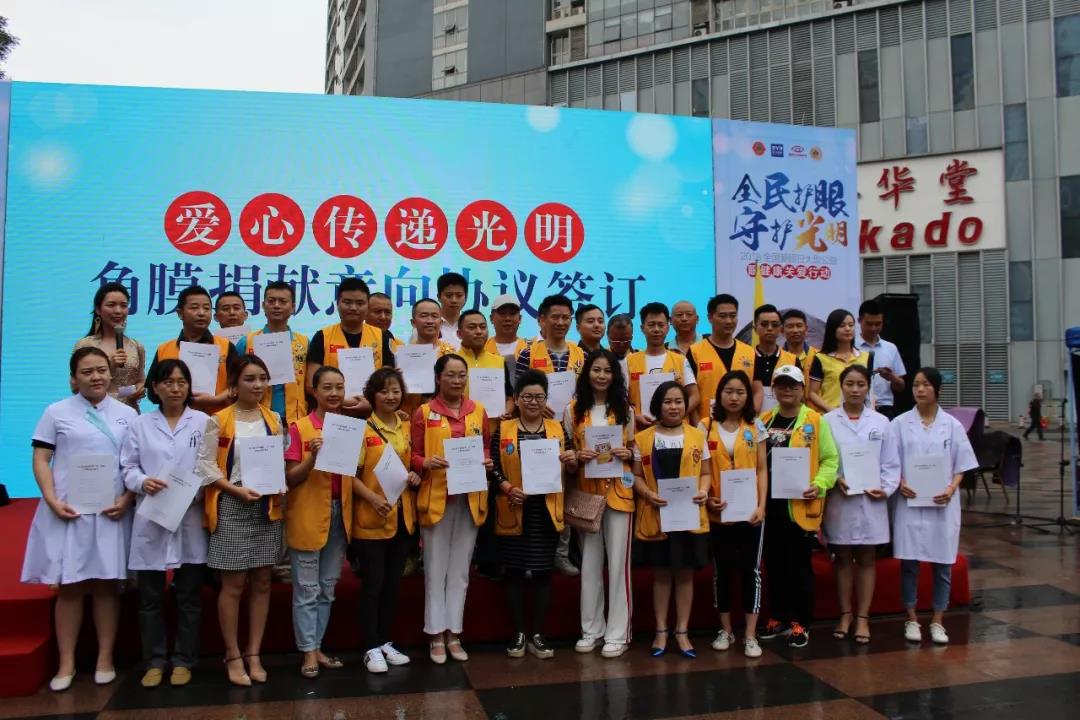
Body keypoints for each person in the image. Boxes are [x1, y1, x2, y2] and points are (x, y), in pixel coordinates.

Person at [22, 347, 138, 692]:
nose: (96, 377)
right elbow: (41, 459)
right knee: (70, 586)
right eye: (87, 372)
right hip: (68, 510)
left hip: (111, 510)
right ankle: (66, 662)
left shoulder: (127, 414)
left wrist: (127, 498)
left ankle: (105, 658)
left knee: (106, 584)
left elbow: (134, 462)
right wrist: (51, 498)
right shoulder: (55, 412)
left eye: (101, 370)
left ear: (110, 373)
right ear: (74, 378)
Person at [195, 355, 285, 686]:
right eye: (250, 379)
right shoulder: (218, 420)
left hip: (266, 506)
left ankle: (254, 653)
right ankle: (232, 655)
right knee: (232, 585)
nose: (258, 385)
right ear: (234, 384)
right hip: (232, 504)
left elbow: (280, 460)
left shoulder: (274, 418)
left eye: (263, 378)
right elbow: (204, 466)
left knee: (262, 582)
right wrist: (234, 490)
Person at [121, 359, 209, 688]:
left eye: (181, 382)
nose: (175, 388)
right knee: (150, 598)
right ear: (155, 387)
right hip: (152, 516)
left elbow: (209, 466)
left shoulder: (202, 422)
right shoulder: (140, 424)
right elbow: (127, 467)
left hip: (189, 515)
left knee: (189, 596)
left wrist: (195, 492)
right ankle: (155, 661)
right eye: (168, 382)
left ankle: (184, 659)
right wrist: (142, 482)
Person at [411, 354, 493, 664]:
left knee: (460, 570)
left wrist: (486, 461)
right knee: (435, 568)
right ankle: (435, 634)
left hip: (469, 497)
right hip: (437, 497)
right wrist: (425, 462)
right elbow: (412, 454)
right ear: (438, 378)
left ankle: (454, 633)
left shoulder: (478, 411)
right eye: (451, 375)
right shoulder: (423, 412)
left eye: (461, 375)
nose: (457, 380)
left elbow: (485, 446)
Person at [491, 370, 578, 658]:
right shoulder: (504, 429)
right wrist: (506, 487)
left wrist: (572, 460)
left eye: (539, 397)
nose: (533, 402)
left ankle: (538, 634)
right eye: (527, 396)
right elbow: (493, 466)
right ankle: (518, 633)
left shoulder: (557, 429)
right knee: (514, 572)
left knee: (542, 572)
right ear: (516, 399)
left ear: (546, 399)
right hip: (514, 507)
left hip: (546, 510)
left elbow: (571, 467)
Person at [891, 367, 978, 645]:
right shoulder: (899, 423)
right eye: (916, 384)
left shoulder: (952, 425)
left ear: (937, 389)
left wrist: (951, 488)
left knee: (942, 564)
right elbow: (890, 461)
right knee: (910, 563)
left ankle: (938, 620)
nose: (919, 389)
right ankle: (911, 618)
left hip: (942, 503)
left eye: (926, 384)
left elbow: (962, 464)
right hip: (910, 502)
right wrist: (900, 482)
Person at [758, 365, 839, 649]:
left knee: (799, 567)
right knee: (774, 565)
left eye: (793, 385)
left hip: (800, 506)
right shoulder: (764, 420)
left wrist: (819, 484)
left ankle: (801, 622)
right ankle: (778, 617)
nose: (787, 390)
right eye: (781, 385)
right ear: (773, 389)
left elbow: (830, 459)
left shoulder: (815, 421)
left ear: (803, 389)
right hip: (770, 506)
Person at [564, 350, 636, 659]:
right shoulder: (573, 410)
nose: (602, 376)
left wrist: (628, 454)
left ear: (615, 376)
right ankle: (591, 630)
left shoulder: (625, 410)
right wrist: (576, 457)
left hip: (619, 493)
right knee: (590, 564)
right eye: (596, 370)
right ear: (587, 373)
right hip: (588, 495)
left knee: (619, 565)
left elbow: (635, 451)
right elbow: (568, 452)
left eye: (607, 371)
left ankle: (618, 634)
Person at [822, 365, 901, 645]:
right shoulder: (827, 421)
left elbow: (891, 463)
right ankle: (845, 614)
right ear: (841, 386)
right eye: (850, 384)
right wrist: (835, 479)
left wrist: (885, 488)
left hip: (871, 499)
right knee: (842, 559)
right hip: (840, 499)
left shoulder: (881, 422)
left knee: (867, 559)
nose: (855, 389)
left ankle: (863, 617)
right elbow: (823, 459)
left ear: (868, 387)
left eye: (861, 384)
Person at [283, 366, 353, 678]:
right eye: (327, 387)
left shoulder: (349, 427)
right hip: (308, 514)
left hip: (340, 514)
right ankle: (308, 651)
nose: (334, 393)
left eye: (339, 387)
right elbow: (290, 478)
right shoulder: (299, 427)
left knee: (327, 588)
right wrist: (312, 458)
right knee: (307, 589)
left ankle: (318, 646)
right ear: (314, 391)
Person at [632, 381, 711, 658]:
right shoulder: (642, 438)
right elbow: (634, 476)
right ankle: (661, 631)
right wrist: (647, 494)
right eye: (668, 401)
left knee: (685, 574)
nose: (674, 407)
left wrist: (704, 491)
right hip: (657, 515)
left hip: (688, 516)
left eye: (679, 401)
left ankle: (682, 631)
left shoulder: (697, 435)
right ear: (658, 405)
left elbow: (706, 472)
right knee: (662, 574)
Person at [352, 368, 421, 672]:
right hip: (372, 517)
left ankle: (384, 641)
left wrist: (415, 476)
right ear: (372, 395)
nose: (391, 396)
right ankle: (370, 646)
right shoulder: (362, 429)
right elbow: (349, 476)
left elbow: (409, 464)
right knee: (373, 584)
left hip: (402, 516)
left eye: (396, 390)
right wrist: (371, 498)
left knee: (393, 584)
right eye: (384, 391)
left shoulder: (406, 425)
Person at [700, 370, 767, 658]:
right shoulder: (705, 426)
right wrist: (707, 500)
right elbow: (700, 470)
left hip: (750, 512)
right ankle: (725, 630)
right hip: (719, 512)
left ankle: (750, 635)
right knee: (723, 571)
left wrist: (761, 506)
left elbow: (762, 469)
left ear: (748, 396)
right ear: (719, 395)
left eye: (740, 392)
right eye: (729, 391)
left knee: (751, 570)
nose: (734, 397)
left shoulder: (756, 425)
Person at [306, 277, 395, 417]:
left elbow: (388, 382)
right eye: (347, 302)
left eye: (360, 303)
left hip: (373, 415)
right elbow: (311, 384)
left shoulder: (382, 337)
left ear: (367, 306)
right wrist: (340, 401)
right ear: (337, 304)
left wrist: (371, 403)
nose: (353, 308)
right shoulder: (322, 336)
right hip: (332, 415)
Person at [149, 285, 237, 415]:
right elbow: (152, 393)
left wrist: (216, 399)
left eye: (206, 308)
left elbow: (237, 386)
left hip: (218, 419)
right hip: (175, 419)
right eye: (194, 308)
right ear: (180, 313)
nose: (201, 313)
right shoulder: (164, 349)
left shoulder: (226, 346)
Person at [235, 281, 310, 427]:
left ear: (293, 307)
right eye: (271, 301)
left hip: (295, 422)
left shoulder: (304, 343)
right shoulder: (247, 342)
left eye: (283, 301)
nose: (276, 305)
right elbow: (234, 383)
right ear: (263, 305)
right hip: (256, 421)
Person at [626, 302, 699, 430]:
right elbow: (620, 397)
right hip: (641, 431)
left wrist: (678, 414)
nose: (656, 329)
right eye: (651, 325)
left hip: (678, 431)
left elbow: (695, 395)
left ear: (668, 327)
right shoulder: (629, 361)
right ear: (642, 328)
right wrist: (634, 415)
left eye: (661, 325)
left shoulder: (680, 360)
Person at [74, 282, 146, 411]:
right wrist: (108, 366)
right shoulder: (85, 345)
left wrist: (140, 388)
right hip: (95, 412)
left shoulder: (136, 346)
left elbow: (140, 379)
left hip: (129, 413)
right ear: (98, 309)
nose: (118, 311)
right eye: (111, 305)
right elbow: (75, 387)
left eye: (123, 306)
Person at [687, 294, 755, 424]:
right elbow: (690, 394)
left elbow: (756, 391)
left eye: (733, 316)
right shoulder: (695, 352)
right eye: (722, 316)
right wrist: (699, 429)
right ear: (710, 317)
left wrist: (750, 419)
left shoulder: (749, 352)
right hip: (707, 426)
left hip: (742, 427)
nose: (728, 321)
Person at [515, 294, 585, 387]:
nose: (560, 323)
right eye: (555, 317)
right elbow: (519, 391)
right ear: (543, 319)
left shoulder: (582, 355)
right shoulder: (527, 355)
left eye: (565, 317)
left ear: (571, 321)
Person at [809, 309, 871, 414]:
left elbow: (870, 391)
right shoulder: (821, 358)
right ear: (832, 329)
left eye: (851, 325)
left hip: (859, 415)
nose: (848, 329)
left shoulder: (865, 357)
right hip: (830, 415)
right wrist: (831, 410)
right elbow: (812, 393)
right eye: (842, 326)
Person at [458, 309, 515, 421]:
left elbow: (509, 398)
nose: (479, 331)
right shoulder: (450, 361)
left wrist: (507, 411)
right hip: (458, 427)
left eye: (483, 327)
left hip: (493, 427)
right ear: (459, 334)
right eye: (472, 327)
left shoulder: (499, 361)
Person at [856, 300, 906, 419]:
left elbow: (901, 386)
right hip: (858, 407)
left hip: (885, 409)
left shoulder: (891, 348)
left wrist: (892, 377)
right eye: (869, 324)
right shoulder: (850, 346)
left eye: (878, 324)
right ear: (859, 321)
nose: (874, 328)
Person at [751, 304, 797, 414]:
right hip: (749, 420)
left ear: (781, 329)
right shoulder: (745, 358)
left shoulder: (793, 360)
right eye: (764, 324)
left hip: (783, 419)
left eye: (775, 325)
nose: (770, 328)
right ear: (755, 328)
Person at [781, 309, 821, 394]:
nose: (795, 330)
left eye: (799, 326)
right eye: (790, 326)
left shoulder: (819, 356)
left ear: (806, 329)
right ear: (782, 331)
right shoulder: (777, 356)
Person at [486, 294, 528, 368]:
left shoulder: (530, 348)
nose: (507, 318)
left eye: (512, 313)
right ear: (491, 318)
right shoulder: (482, 348)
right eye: (502, 313)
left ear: (520, 318)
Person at [431, 272, 468, 348]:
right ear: (439, 297)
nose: (454, 300)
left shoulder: (471, 325)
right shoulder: (428, 325)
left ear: (466, 297)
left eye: (459, 295)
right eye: (448, 295)